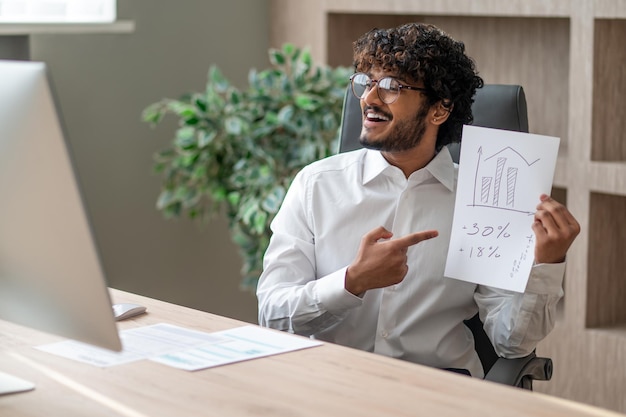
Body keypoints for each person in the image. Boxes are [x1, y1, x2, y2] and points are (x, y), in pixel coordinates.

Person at [256, 22, 580, 378]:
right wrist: (352, 281)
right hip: (333, 383)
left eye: (392, 86)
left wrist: (546, 265)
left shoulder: (480, 201)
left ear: (439, 110)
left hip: (439, 391)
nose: (370, 98)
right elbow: (272, 314)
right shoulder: (316, 185)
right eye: (367, 81)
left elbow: (510, 343)